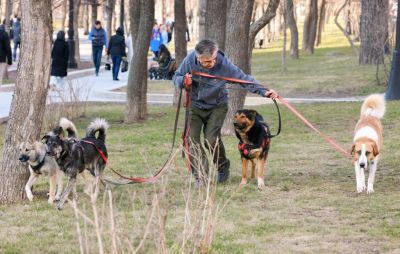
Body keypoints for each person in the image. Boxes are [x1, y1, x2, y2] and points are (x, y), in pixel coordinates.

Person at [173, 39, 278, 184]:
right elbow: (176, 76)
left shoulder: (224, 64)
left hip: (217, 106)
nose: (207, 65)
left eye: (210, 61)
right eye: (202, 62)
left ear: (215, 54)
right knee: (191, 139)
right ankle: (201, 175)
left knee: (211, 140)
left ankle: (222, 167)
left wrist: (264, 91)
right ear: (197, 57)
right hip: (195, 106)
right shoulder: (190, 60)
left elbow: (244, 79)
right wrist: (183, 81)